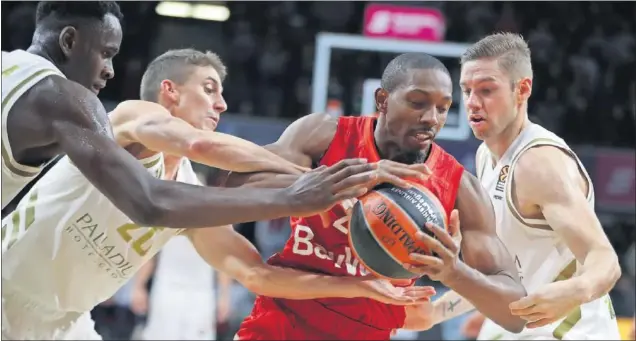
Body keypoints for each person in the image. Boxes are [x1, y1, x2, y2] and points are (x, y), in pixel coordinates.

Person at [1, 48, 432, 340]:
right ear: (169, 91)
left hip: (63, 323)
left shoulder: (189, 194)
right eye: (209, 89)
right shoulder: (131, 118)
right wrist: (313, 177)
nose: (221, 104)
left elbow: (257, 275)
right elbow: (200, 145)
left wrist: (363, 287)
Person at [208, 53, 529, 340]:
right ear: (383, 99)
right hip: (282, 323)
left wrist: (454, 273)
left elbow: (514, 312)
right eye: (418, 102)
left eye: (443, 108)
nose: (432, 118)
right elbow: (231, 190)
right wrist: (322, 183)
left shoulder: (459, 187)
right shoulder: (325, 136)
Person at [1, 1, 376, 229]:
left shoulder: (12, 70)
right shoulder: (74, 102)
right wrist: (301, 191)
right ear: (69, 41)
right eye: (107, 53)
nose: (112, 71)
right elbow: (153, 199)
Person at [433, 33, 620, 340]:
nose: (473, 103)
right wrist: (433, 312)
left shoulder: (538, 163)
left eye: (486, 90)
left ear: (522, 89)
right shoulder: (486, 156)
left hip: (570, 332)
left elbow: (605, 260)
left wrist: (574, 291)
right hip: (521, 328)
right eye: (466, 91)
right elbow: (501, 272)